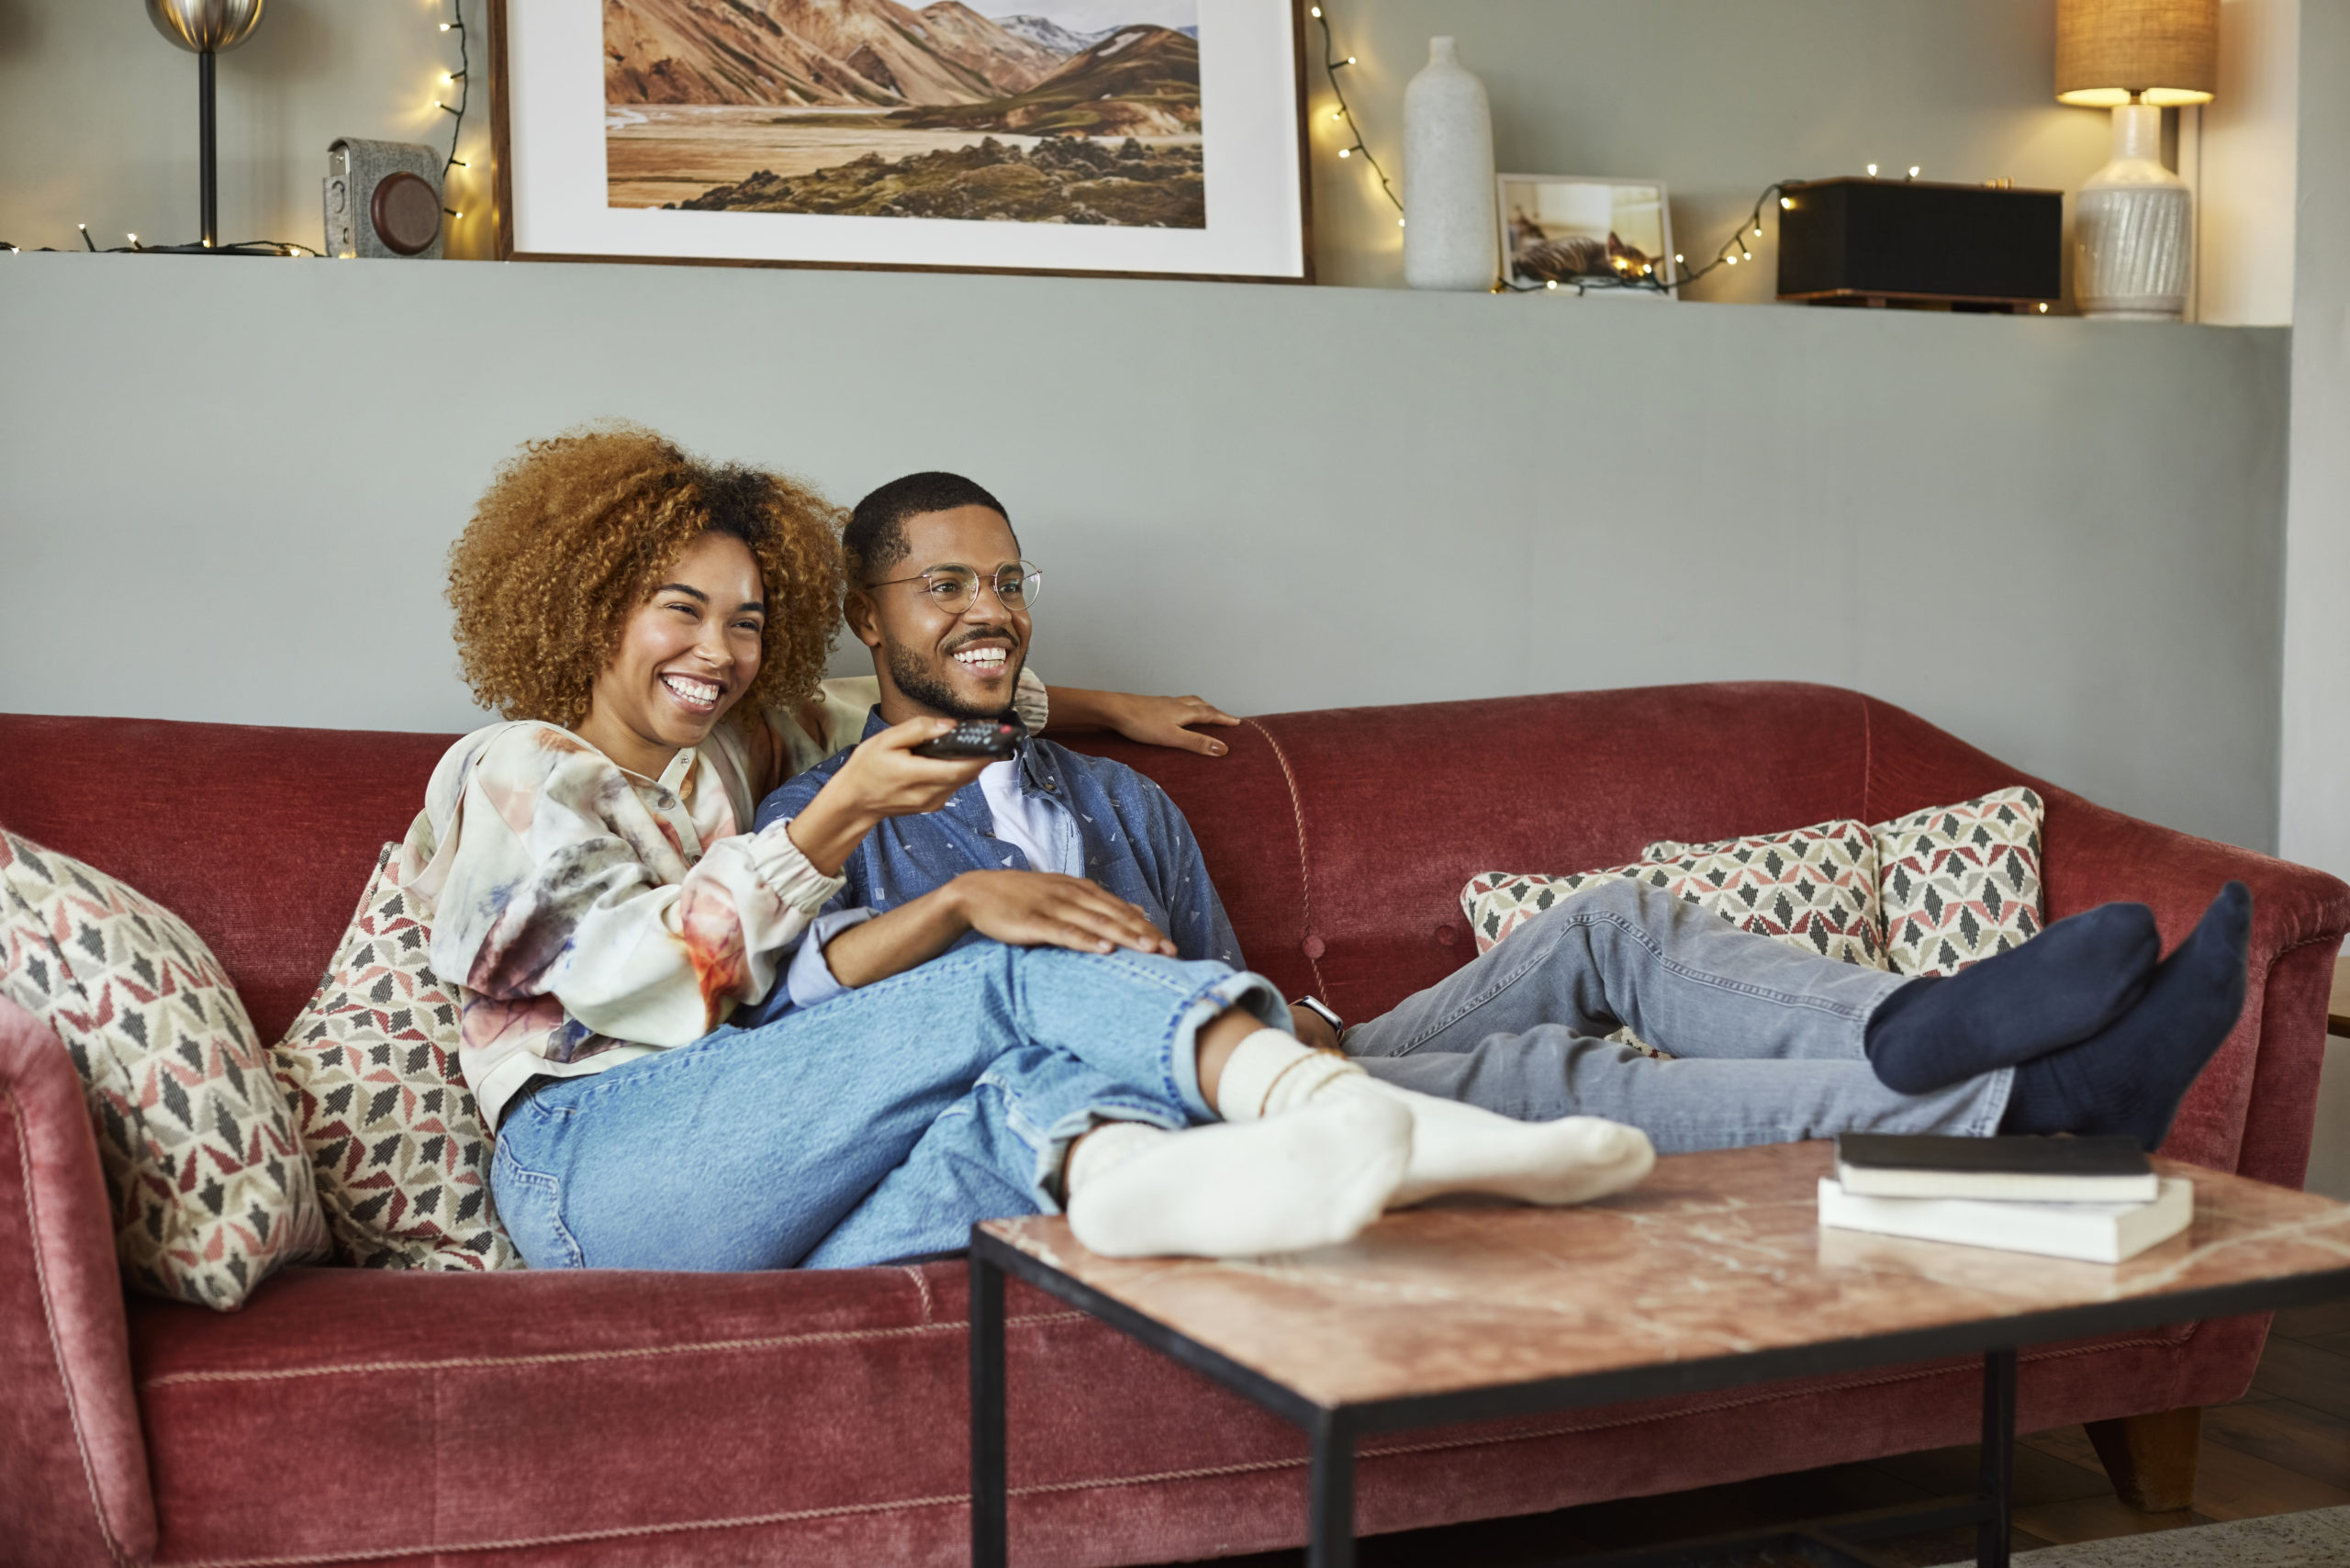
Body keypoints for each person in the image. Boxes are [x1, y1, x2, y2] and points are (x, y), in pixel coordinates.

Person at [397, 425, 1654, 1273]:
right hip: (592, 1162)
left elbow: (927, 694)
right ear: (590, 606)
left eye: (748, 623)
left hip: (760, 1170)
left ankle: (1154, 1185)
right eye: (680, 612)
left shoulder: (737, 747)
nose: (716, 654)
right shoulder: (515, 772)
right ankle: (1354, 1110)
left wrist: (1107, 708)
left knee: (1018, 1111)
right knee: (996, 975)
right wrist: (838, 825)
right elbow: (635, 978)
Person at [753, 470, 2254, 1162]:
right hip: (1151, 1120)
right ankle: (2021, 1105)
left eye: (1007, 580)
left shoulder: (1117, 793)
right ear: (865, 621)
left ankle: (1919, 1028)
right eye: (944, 586)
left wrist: (1295, 1019)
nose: (990, 608)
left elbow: (1223, 968)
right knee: (1551, 1073)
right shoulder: (825, 825)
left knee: (1612, 924)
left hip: (1280, 1041)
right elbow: (817, 1040)